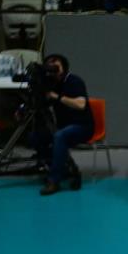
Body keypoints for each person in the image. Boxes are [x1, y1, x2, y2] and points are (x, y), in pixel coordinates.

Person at [33, 54, 93, 197]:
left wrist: (57, 97)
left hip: (82, 127)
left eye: (56, 67)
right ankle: (62, 169)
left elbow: (81, 104)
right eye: (50, 67)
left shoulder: (74, 81)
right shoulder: (51, 83)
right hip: (63, 127)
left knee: (60, 136)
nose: (54, 71)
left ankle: (54, 181)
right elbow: (40, 103)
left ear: (64, 67)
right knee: (35, 137)